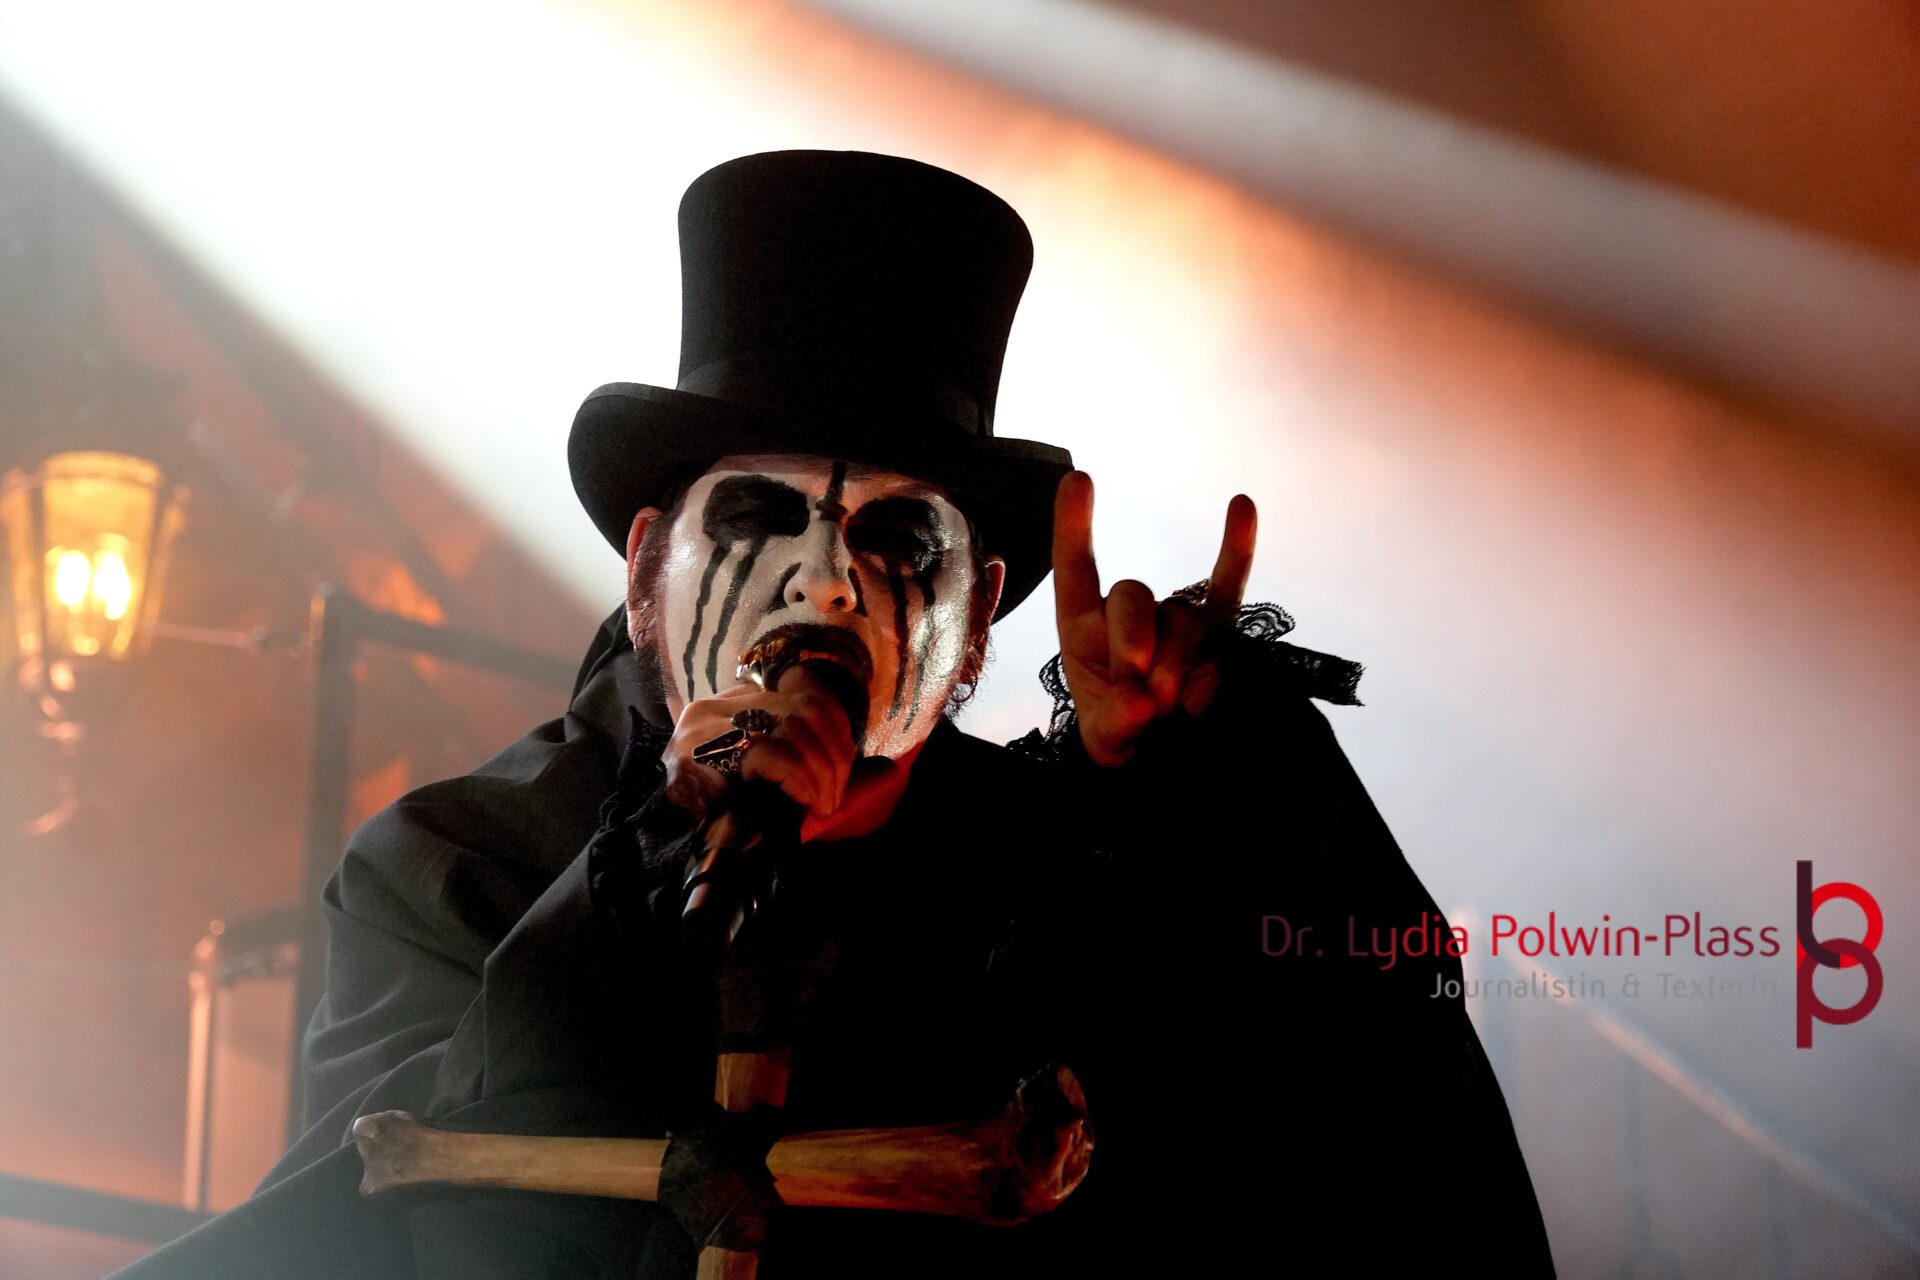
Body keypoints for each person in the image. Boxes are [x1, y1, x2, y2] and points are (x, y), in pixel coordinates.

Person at [111, 150, 1554, 1278]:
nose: (826, 587)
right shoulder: (461, 868)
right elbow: (390, 1225)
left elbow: (1366, 1140)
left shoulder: (1054, 875)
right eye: (760, 517)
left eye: (900, 542)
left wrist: (1200, 781)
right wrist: (646, 879)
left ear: (980, 615)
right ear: (647, 567)